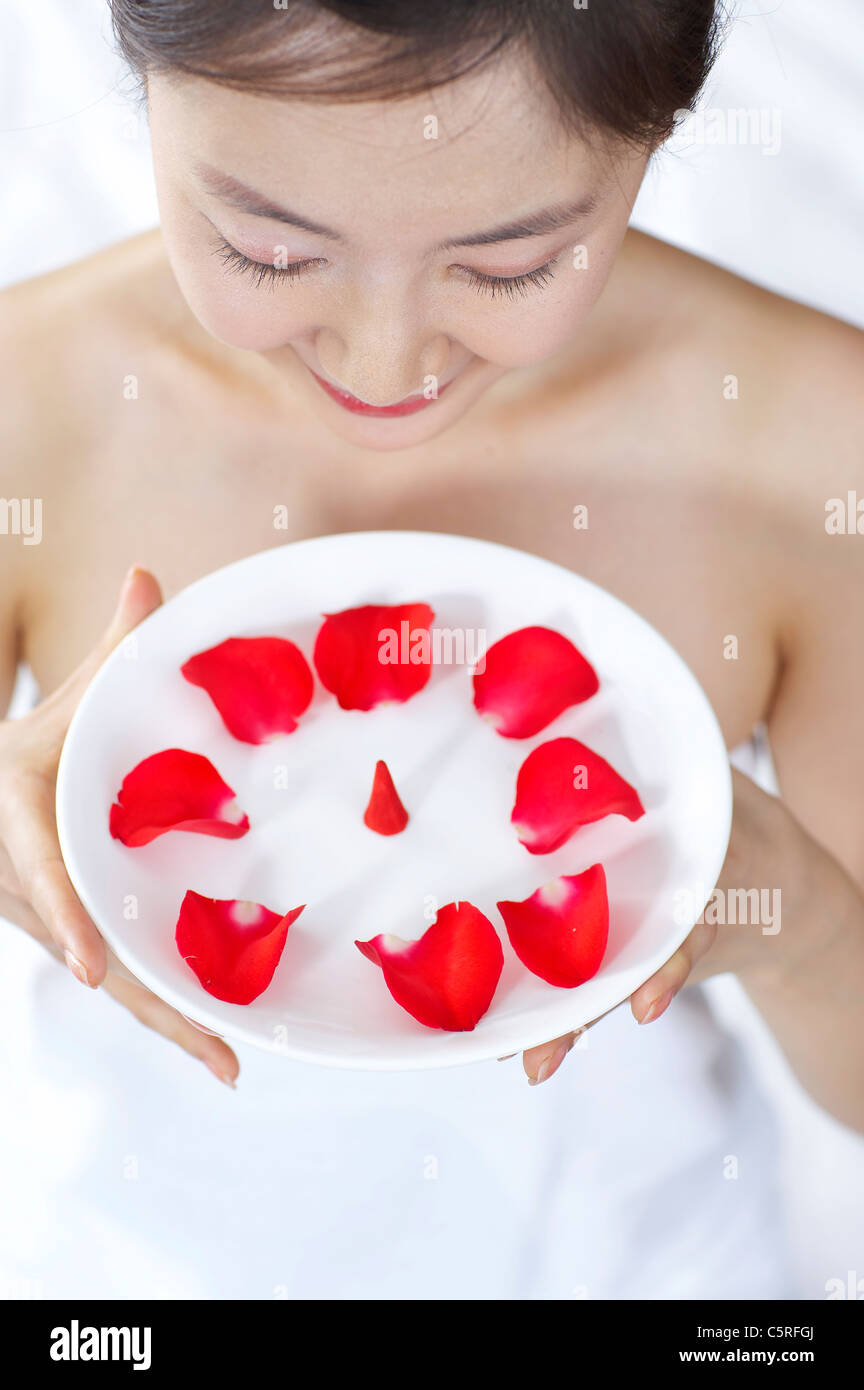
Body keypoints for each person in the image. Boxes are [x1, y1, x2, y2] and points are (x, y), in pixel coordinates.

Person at [0, 0, 862, 1299]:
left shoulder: (811, 447)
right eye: (269, 250)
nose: (384, 363)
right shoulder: (34, 402)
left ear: (661, 129)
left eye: (509, 268)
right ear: (139, 83)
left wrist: (792, 918)